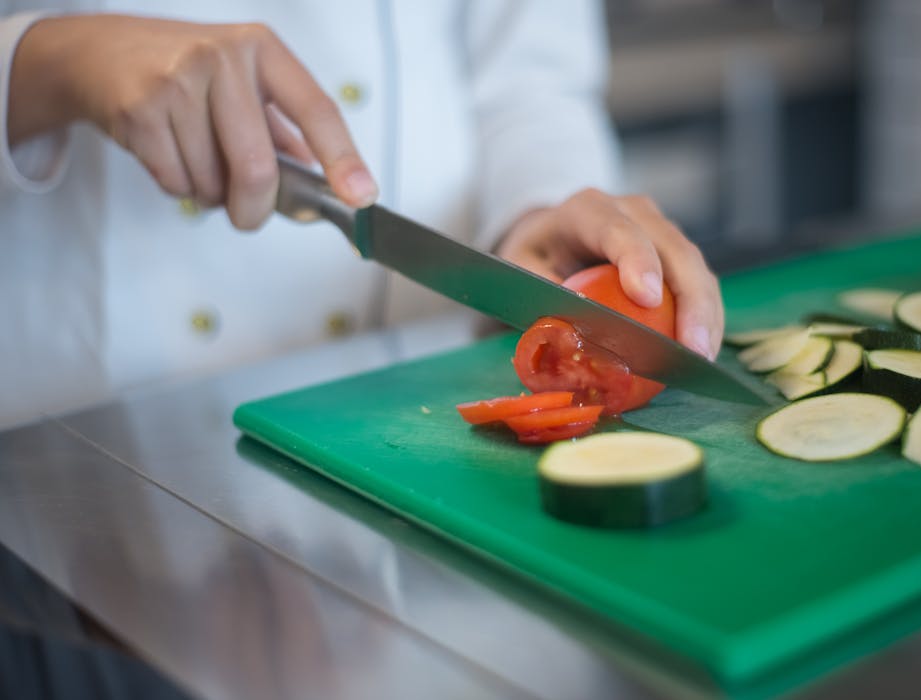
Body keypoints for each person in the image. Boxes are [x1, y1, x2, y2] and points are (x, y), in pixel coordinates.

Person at [0, 1, 723, 431]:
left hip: (411, 394)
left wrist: (537, 209)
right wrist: (43, 60)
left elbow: (530, 80)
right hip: (85, 444)